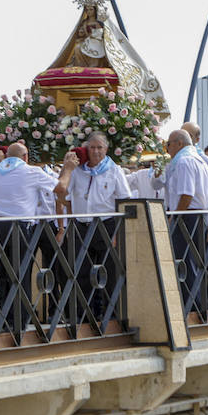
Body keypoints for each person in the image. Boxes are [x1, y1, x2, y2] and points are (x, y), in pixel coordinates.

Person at [0, 141, 67, 335]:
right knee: (19, 274)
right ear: (26, 157)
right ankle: (18, 322)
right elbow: (60, 188)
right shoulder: (32, 172)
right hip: (18, 226)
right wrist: (68, 168)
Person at [63, 132, 131, 323]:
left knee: (108, 271)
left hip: (107, 225)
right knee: (81, 271)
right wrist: (68, 225)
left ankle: (112, 316)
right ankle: (85, 315)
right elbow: (66, 198)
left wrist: (118, 231)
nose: (95, 151)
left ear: (106, 149)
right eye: (92, 147)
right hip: (81, 225)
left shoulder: (114, 170)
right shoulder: (77, 170)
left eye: (99, 147)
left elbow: (124, 200)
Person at [161, 130, 208, 315]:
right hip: (196, 215)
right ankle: (200, 304)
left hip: (187, 214)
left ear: (179, 144)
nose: (168, 148)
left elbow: (186, 193)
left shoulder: (184, 161)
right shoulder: (200, 159)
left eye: (169, 144)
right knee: (194, 261)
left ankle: (191, 306)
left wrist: (174, 216)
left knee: (186, 262)